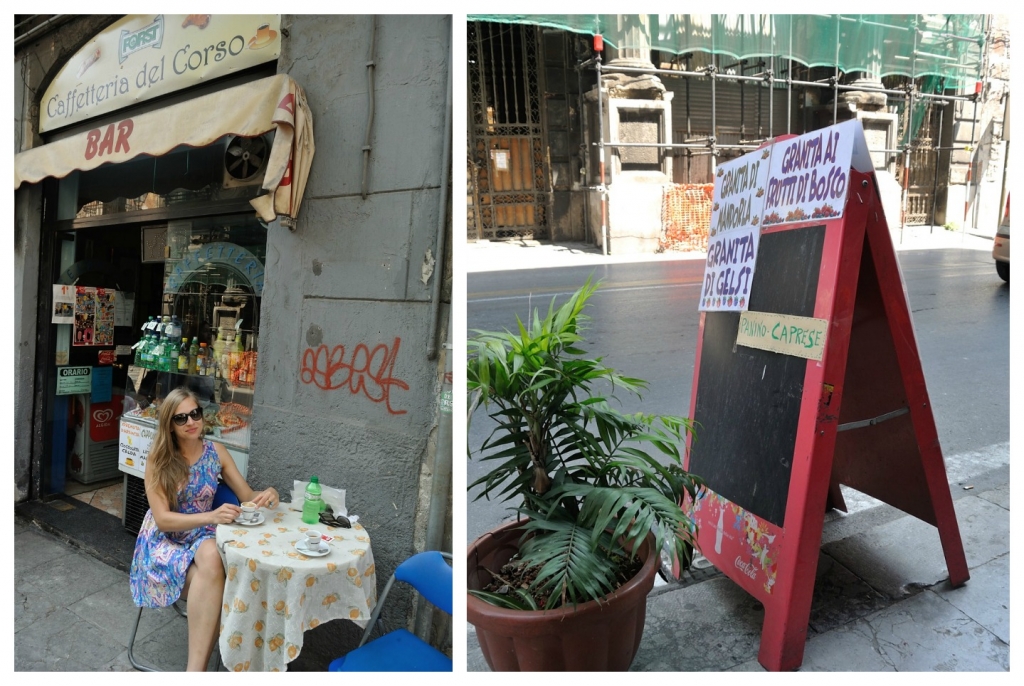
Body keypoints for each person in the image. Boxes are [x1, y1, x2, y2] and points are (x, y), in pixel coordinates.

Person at [129, 386, 278, 671]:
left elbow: (247, 497)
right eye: (181, 418)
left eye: (195, 413)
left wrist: (270, 494)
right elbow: (163, 519)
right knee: (213, 576)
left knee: (210, 556)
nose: (191, 422)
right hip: (165, 539)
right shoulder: (158, 460)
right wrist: (210, 516)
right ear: (169, 426)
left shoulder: (216, 451)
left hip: (202, 534)